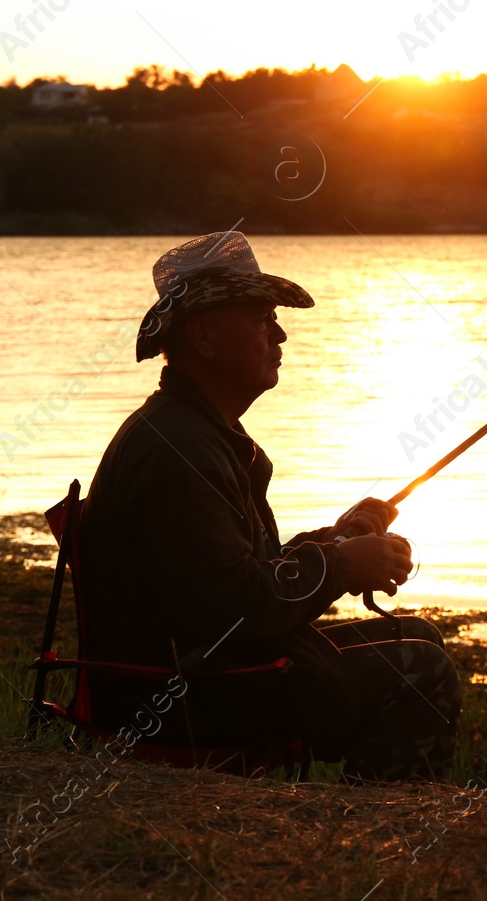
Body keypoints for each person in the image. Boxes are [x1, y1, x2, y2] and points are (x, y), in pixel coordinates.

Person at [76, 231, 460, 780]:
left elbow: (242, 576)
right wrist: (347, 565)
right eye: (261, 318)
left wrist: (340, 538)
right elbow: (228, 606)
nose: (279, 334)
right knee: (421, 671)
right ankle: (381, 840)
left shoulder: (196, 434)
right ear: (204, 335)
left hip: (202, 670)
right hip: (178, 700)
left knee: (418, 637)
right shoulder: (180, 451)